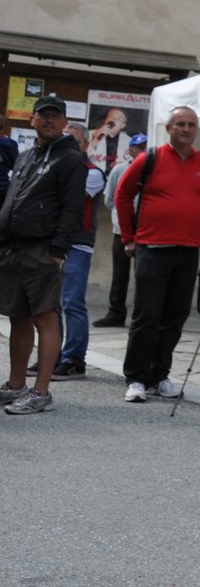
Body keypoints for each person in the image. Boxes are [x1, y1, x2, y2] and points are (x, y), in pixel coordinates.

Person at [115, 106, 200, 403]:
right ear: (169, 128)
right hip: (152, 249)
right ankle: (136, 378)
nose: (186, 129)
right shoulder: (148, 159)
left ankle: (159, 375)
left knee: (175, 317)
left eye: (191, 125)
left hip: (188, 251)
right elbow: (122, 196)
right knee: (146, 315)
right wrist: (128, 237)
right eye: (180, 124)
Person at [0, 95, 88, 415]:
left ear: (64, 123)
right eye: (43, 115)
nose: (49, 120)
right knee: (18, 317)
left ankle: (41, 391)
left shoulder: (70, 159)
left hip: (43, 250)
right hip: (13, 248)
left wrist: (58, 251)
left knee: (45, 318)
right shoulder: (23, 157)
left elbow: (72, 208)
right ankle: (15, 385)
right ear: (32, 120)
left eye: (55, 116)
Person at [45, 122, 105, 379]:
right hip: (53, 244)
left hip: (77, 245)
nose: (68, 145)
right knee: (51, 305)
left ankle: (74, 360)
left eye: (74, 140)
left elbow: (64, 197)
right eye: (65, 139)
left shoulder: (92, 172)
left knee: (72, 303)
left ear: (84, 145)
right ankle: (53, 356)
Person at [94, 133, 146, 328]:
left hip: (144, 230)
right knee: (119, 274)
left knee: (144, 275)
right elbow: (110, 200)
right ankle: (116, 312)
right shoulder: (119, 170)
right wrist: (119, 217)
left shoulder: (151, 170)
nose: (142, 151)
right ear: (131, 150)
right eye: (139, 147)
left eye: (145, 148)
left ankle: (140, 315)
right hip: (121, 230)